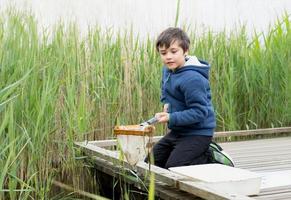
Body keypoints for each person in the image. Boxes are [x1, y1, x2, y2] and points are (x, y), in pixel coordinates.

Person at [150, 27, 216, 169]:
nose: (168, 56)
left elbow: (200, 112)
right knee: (151, 163)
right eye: (163, 53)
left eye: (174, 52)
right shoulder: (168, 71)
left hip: (198, 133)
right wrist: (166, 104)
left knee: (175, 167)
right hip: (179, 131)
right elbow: (166, 90)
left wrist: (171, 117)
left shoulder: (193, 79)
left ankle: (208, 158)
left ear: (185, 51)